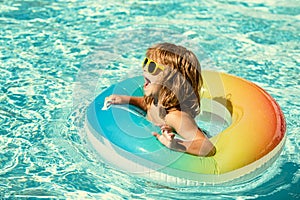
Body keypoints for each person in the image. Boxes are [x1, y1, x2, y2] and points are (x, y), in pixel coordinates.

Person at [105, 43, 216, 157]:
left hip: (189, 137)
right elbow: (146, 104)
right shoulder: (154, 100)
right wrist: (126, 99)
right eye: (146, 62)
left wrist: (177, 144)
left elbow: (207, 147)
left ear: (172, 81)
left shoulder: (175, 117)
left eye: (152, 66)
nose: (144, 68)